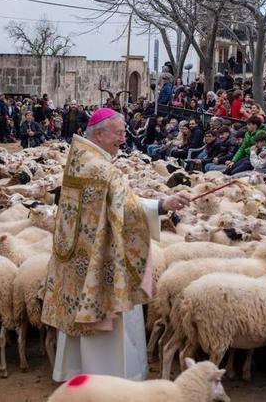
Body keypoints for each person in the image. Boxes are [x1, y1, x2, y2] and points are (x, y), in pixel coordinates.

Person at [42, 108, 191, 382]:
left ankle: (77, 373)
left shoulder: (80, 160)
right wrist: (162, 204)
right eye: (119, 133)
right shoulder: (101, 169)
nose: (123, 139)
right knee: (109, 321)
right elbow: (126, 208)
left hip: (80, 256)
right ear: (99, 133)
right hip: (101, 259)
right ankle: (111, 380)